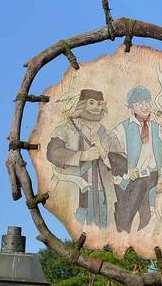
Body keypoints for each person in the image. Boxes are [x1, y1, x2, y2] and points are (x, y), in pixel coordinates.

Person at [45, 89, 126, 228]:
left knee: (101, 229)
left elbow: (122, 162)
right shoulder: (66, 129)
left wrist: (103, 152)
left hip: (102, 193)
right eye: (92, 103)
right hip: (73, 190)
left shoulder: (107, 134)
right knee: (76, 226)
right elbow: (53, 153)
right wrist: (82, 155)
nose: (96, 108)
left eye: (100, 104)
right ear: (82, 104)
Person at [111, 86, 162, 232]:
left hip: (152, 177)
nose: (145, 106)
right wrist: (127, 167)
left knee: (146, 217)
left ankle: (138, 243)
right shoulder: (122, 128)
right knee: (125, 219)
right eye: (139, 103)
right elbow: (112, 153)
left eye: (147, 101)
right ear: (132, 106)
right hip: (129, 179)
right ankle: (123, 240)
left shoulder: (157, 126)